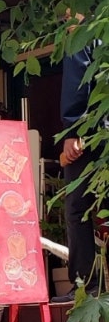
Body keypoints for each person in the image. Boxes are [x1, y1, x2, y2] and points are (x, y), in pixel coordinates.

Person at [57, 43, 98, 297]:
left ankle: (85, 284)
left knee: (78, 208)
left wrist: (73, 130)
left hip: (90, 134)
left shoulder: (82, 36)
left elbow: (77, 78)